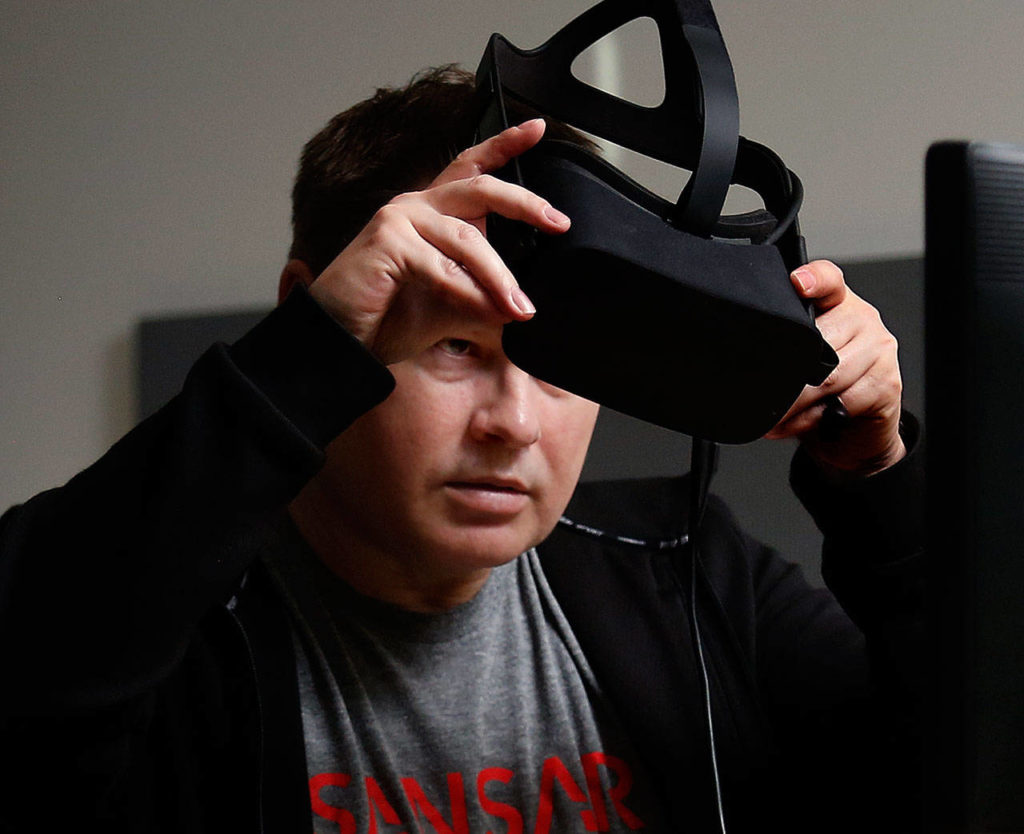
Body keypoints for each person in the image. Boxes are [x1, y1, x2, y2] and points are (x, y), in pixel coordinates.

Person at [0, 67, 922, 833]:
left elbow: (966, 770)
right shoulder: (171, 633)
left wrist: (879, 483)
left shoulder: (697, 574)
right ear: (309, 316)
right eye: (457, 348)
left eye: (562, 359)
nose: (514, 421)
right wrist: (294, 366)